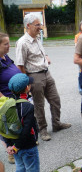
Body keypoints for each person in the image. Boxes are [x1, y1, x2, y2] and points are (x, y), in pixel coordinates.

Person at [16, 13, 71, 141]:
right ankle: (43, 130)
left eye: (40, 24)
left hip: (46, 73)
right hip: (35, 77)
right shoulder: (22, 43)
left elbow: (41, 53)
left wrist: (46, 56)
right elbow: (20, 65)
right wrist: (27, 83)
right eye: (37, 25)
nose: (40, 27)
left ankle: (56, 124)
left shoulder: (36, 38)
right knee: (39, 105)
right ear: (28, 26)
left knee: (55, 100)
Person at [4, 73, 39, 172]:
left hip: (14, 145)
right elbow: (27, 130)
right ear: (27, 87)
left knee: (20, 169)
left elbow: (4, 127)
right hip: (28, 146)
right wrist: (17, 146)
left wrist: (10, 145)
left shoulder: (7, 104)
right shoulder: (27, 106)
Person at [0, 32, 21, 164]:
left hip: (14, 96)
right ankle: (10, 152)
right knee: (7, 129)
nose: (9, 46)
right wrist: (5, 102)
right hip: (6, 100)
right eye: (6, 44)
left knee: (16, 125)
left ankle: (18, 146)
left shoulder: (5, 56)